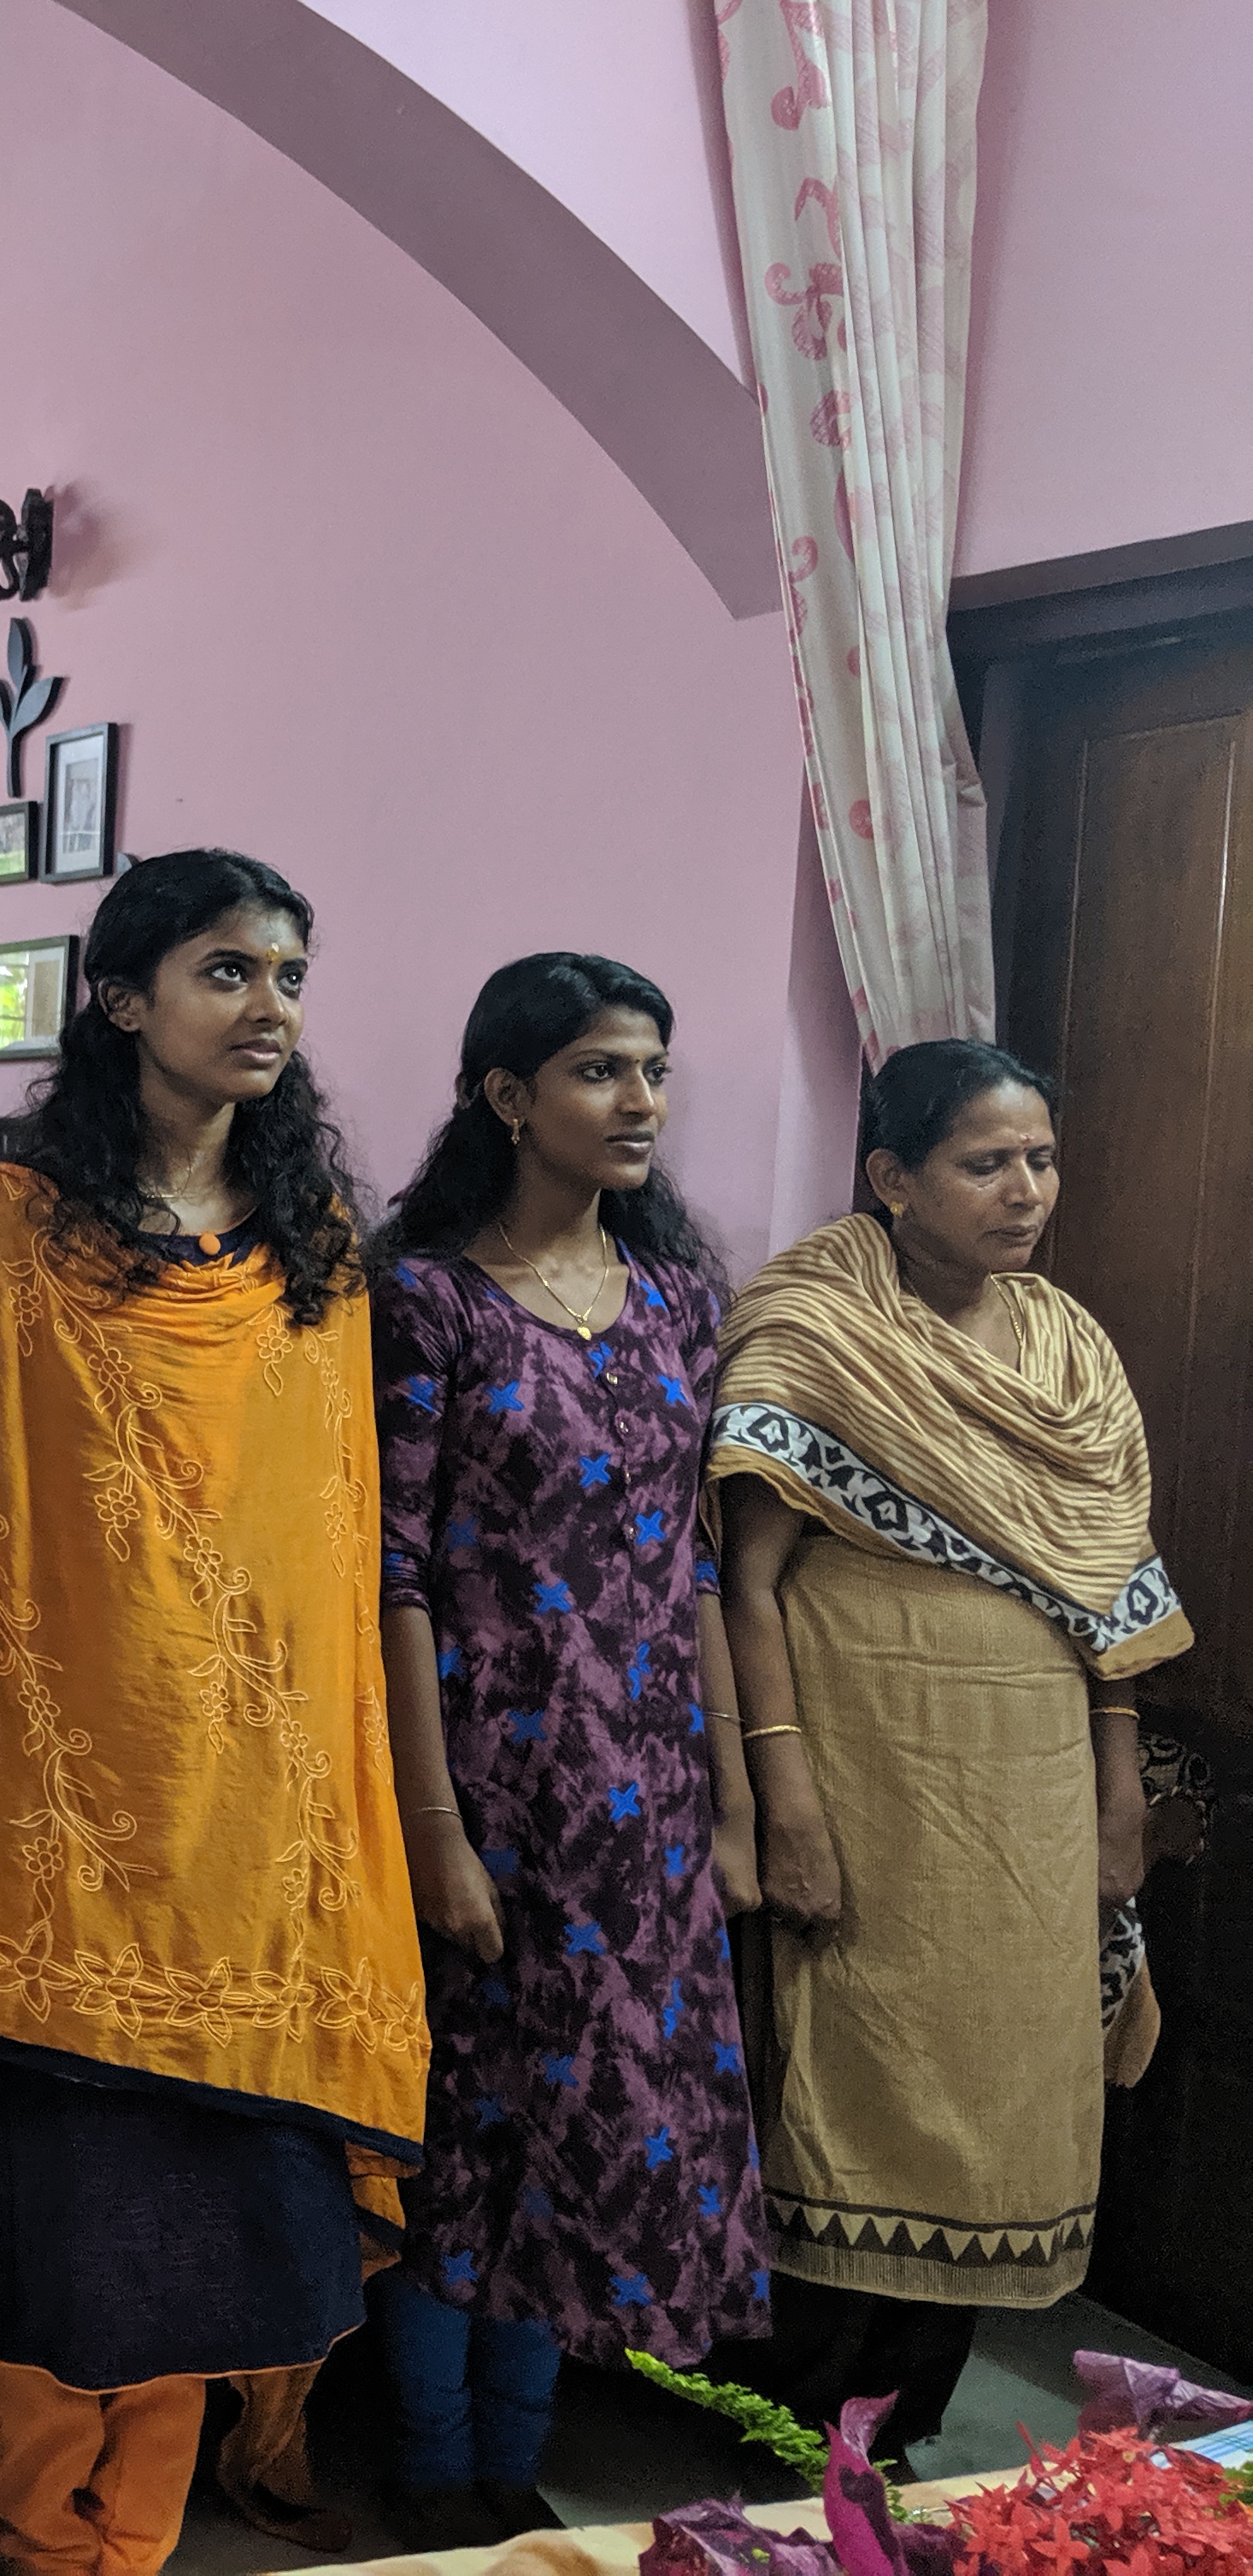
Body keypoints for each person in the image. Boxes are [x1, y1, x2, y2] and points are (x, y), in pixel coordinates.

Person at [0, 850, 421, 2576]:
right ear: (119, 1000)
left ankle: (138, 2536)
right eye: (226, 971)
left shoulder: (316, 1252)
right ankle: (45, 2526)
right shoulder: (6, 1224)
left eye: (289, 976)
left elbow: (327, 1540)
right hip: (50, 1797)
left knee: (214, 2214)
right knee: (39, 2196)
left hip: (251, 1807)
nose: (269, 1007)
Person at [708, 1039, 1185, 2459]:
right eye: (986, 1162)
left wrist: (1118, 1790)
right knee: (856, 2065)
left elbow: (1110, 1592)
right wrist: (784, 1798)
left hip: (1029, 1787)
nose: (1025, 1189)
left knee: (1008, 2084)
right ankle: (789, 2421)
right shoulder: (814, 1327)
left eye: (1040, 1158)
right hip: (866, 1770)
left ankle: (907, 2418)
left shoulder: (1069, 1350)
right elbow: (741, 1582)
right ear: (892, 1176)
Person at [365, 954, 770, 2550]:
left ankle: (513, 2463)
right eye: (602, 1069)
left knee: (582, 2142)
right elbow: (391, 1575)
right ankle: (426, 2464)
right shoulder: (431, 1300)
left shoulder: (678, 1301)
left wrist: (732, 1804)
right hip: (490, 1782)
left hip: (646, 1799)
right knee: (464, 2138)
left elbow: (694, 1567)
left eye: (654, 1069)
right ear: (506, 1094)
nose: (640, 1101)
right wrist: (433, 1828)